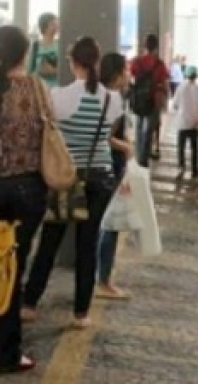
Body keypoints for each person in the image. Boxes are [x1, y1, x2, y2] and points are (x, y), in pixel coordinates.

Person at [22, 37, 123, 329]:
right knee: (87, 244)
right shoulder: (112, 99)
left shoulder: (58, 96)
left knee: (50, 240)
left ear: (72, 62)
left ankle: (29, 303)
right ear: (96, 61)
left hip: (68, 177)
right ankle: (82, 313)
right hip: (102, 176)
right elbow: (106, 136)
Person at [0, 26, 49, 373]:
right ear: (24, 53)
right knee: (12, 272)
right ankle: (8, 352)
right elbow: (51, 127)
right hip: (27, 190)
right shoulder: (35, 87)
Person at [95, 53, 134, 301]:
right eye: (126, 70)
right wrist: (126, 147)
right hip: (111, 165)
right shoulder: (114, 99)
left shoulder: (100, 95)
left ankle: (101, 277)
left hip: (105, 165)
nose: (129, 75)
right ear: (117, 74)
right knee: (111, 223)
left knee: (104, 223)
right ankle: (104, 281)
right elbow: (106, 137)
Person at [129, 34, 169, 168]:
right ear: (156, 47)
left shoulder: (136, 61)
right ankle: (143, 158)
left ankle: (138, 155)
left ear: (145, 46)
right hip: (153, 99)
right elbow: (163, 82)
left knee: (139, 126)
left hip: (139, 98)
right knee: (149, 129)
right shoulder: (160, 64)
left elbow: (131, 77)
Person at [172, 66, 198, 180]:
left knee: (181, 147)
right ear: (196, 76)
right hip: (194, 122)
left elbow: (175, 105)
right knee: (194, 147)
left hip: (182, 122)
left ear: (186, 75)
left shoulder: (180, 88)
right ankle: (194, 171)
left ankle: (181, 168)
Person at [27, 12, 59, 88]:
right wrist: (40, 71)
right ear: (45, 26)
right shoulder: (35, 46)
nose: (56, 26)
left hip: (56, 88)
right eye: (53, 24)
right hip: (39, 88)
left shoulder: (60, 45)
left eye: (56, 24)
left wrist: (54, 71)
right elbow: (30, 70)